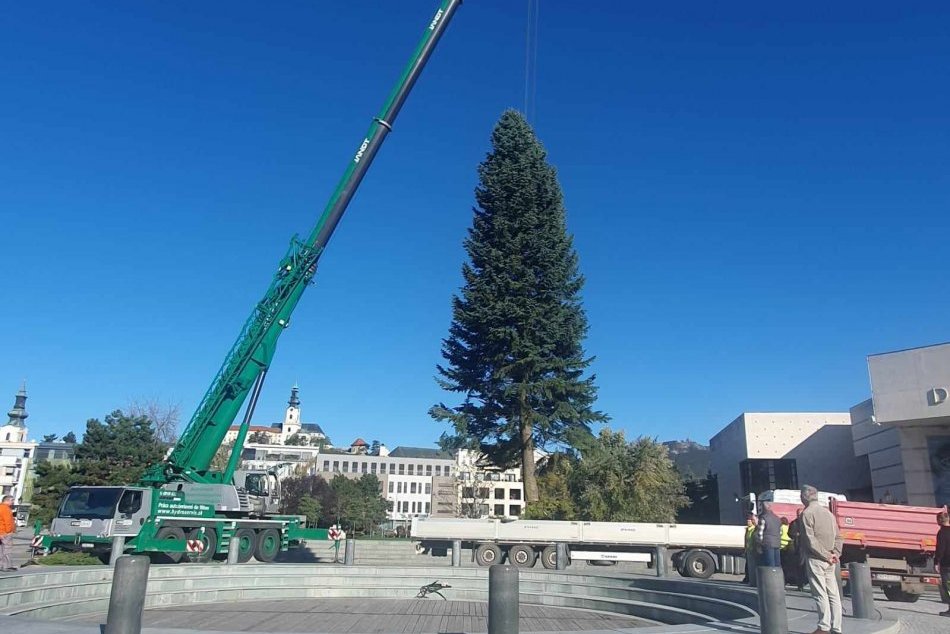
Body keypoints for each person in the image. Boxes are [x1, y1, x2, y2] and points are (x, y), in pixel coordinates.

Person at [800, 484, 843, 634]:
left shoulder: (807, 514)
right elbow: (839, 536)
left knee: (820, 593)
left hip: (816, 559)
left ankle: (824, 627)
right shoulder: (829, 514)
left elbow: (810, 540)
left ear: (805, 497)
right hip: (832, 560)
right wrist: (835, 554)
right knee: (834, 594)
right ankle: (837, 627)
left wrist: (825, 555)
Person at [757, 501, 783, 568]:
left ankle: (770, 578)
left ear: (764, 508)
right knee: (777, 564)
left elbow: (760, 533)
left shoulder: (763, 518)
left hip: (767, 543)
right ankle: (777, 577)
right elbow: (780, 532)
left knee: (769, 565)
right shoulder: (777, 518)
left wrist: (759, 544)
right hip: (777, 542)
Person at [936, 509, 950, 617]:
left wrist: (937, 562)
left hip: (946, 563)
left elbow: (941, 548)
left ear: (940, 520)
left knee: (948, 586)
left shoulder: (942, 532)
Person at [0, 495, 17, 572]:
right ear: (7, 500)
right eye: (12, 500)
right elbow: (8, 522)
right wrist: (9, 531)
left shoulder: (0, 507)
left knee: (1, 549)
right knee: (7, 549)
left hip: (1, 531)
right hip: (5, 533)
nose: (13, 502)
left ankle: (2, 565)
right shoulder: (6, 509)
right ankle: (6, 566)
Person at [742, 513, 758, 583]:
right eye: (747, 521)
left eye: (749, 521)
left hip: (752, 550)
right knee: (747, 565)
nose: (748, 522)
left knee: (750, 566)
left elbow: (752, 540)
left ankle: (750, 579)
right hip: (749, 550)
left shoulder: (753, 529)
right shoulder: (748, 529)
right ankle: (748, 578)